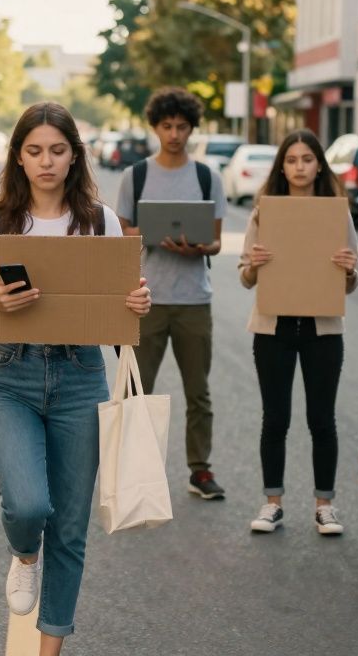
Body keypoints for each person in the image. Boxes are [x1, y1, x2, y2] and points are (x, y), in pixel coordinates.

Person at [0, 102, 152, 655]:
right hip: (10, 375)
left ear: (74, 156)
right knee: (29, 506)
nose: (46, 161)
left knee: (71, 529)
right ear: (18, 156)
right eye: (34, 150)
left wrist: (136, 301)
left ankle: (48, 649)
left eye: (58, 150)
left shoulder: (100, 221)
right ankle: (23, 555)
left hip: (81, 375)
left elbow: (120, 311)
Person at [238, 130, 358, 535]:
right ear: (282, 166)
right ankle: (272, 502)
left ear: (319, 164)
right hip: (273, 328)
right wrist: (255, 263)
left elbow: (352, 282)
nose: (300, 166)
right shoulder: (264, 212)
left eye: (307, 159)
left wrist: (349, 268)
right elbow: (245, 278)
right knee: (275, 419)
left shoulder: (336, 213)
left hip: (323, 329)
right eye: (292, 160)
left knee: (322, 420)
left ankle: (325, 505)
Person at [116, 87, 228, 500]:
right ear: (155, 127)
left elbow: (216, 242)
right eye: (167, 126)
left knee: (198, 392)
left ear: (191, 128)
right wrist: (152, 233)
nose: (175, 134)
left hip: (194, 299)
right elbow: (119, 231)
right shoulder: (137, 175)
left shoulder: (206, 176)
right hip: (145, 298)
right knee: (135, 389)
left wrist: (198, 246)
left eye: (182, 127)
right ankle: (132, 470)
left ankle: (200, 470)